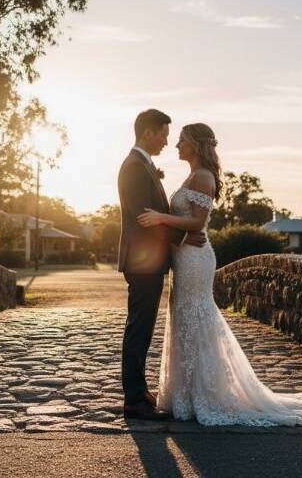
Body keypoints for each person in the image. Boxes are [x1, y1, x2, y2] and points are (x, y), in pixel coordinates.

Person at [136, 122, 302, 426]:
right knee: (183, 318)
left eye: (181, 140)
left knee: (196, 317)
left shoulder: (204, 177)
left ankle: (207, 394)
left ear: (195, 143)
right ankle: (186, 393)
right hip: (184, 257)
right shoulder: (192, 175)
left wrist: (158, 218)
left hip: (195, 258)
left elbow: (197, 223)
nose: (176, 145)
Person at [116, 109, 206, 420]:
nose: (167, 141)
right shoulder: (135, 168)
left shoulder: (142, 165)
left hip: (148, 260)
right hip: (143, 261)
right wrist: (183, 238)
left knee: (141, 328)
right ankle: (134, 401)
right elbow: (146, 219)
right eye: (164, 135)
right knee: (139, 329)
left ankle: (139, 392)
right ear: (148, 133)